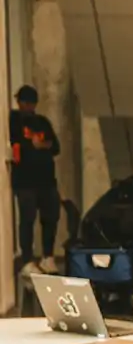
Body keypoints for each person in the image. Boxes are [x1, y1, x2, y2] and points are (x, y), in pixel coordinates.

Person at [9, 85, 61, 274]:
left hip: (46, 179)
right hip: (25, 181)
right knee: (27, 219)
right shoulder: (13, 120)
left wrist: (41, 145)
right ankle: (27, 259)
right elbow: (16, 144)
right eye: (24, 103)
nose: (27, 107)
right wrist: (34, 145)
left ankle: (48, 256)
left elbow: (55, 146)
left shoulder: (42, 122)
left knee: (51, 217)